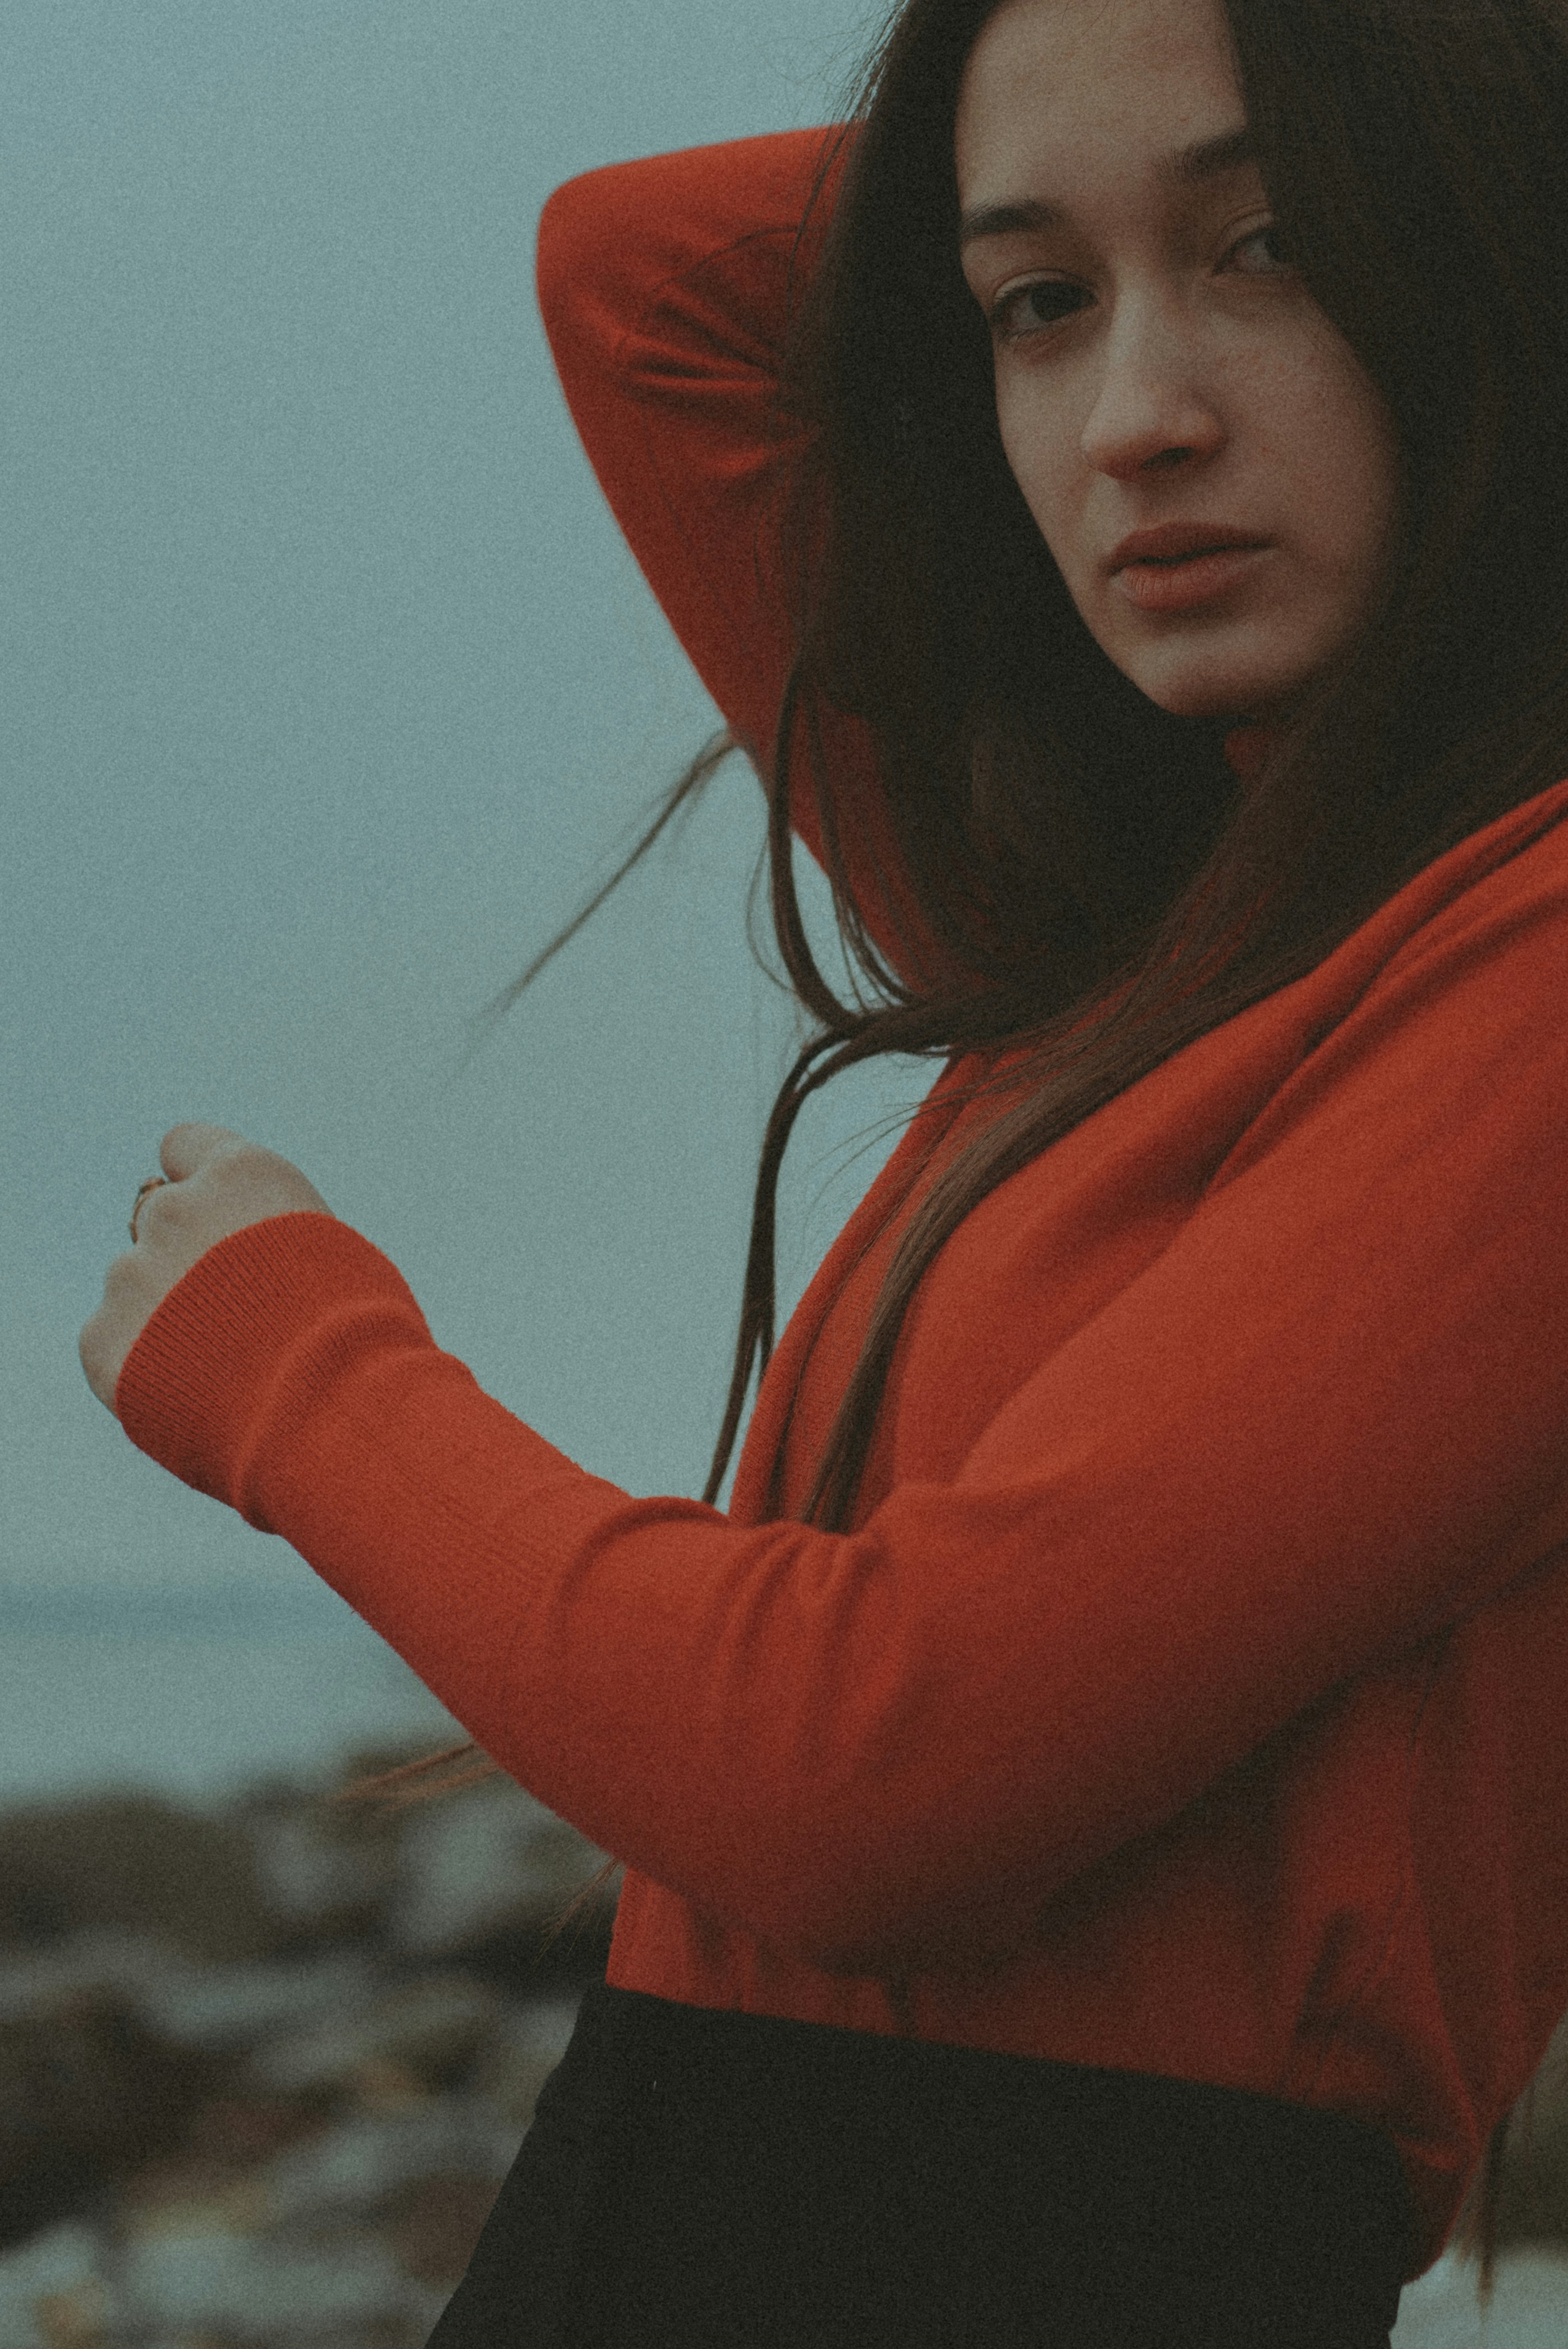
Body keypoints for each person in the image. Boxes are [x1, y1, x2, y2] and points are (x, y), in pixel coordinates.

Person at [79, 0, 1568, 2338]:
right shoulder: (1116, 922)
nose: (1136, 421)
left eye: (1275, 247)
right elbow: (640, 276)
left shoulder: (1528, 955)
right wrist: (1103, 132)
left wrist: (295, 1373)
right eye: (1035, 308)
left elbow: (883, 1771)